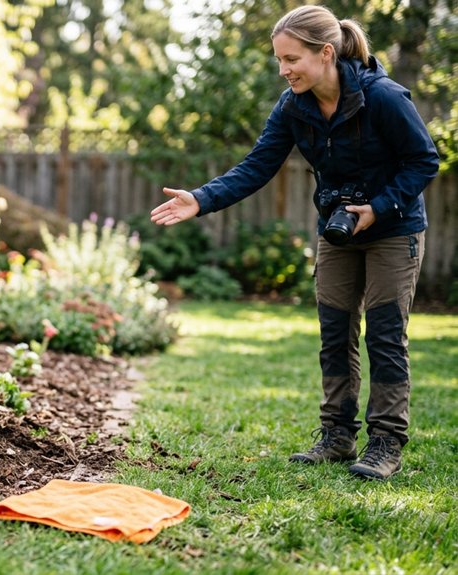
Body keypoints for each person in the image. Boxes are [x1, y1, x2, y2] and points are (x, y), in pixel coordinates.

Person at [149, 5, 438, 480]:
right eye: (279, 61)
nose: (284, 70)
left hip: (394, 229)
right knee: (335, 332)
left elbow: (424, 161)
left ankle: (385, 441)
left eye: (291, 59)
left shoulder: (382, 97)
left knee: (386, 336)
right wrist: (201, 200)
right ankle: (338, 435)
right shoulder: (293, 106)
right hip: (337, 229)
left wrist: (380, 207)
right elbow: (257, 165)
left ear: (326, 53)